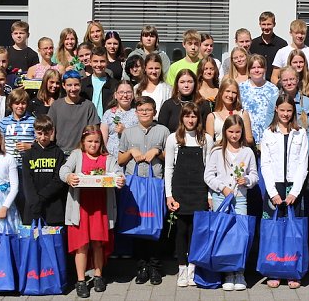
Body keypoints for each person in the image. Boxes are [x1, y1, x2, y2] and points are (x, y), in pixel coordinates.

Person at [61, 125, 125, 295]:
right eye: (89, 141)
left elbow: (118, 173)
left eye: (96, 141)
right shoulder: (76, 155)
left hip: (100, 208)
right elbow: (64, 169)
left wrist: (119, 179)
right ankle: (81, 280)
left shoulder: (107, 158)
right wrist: (69, 177)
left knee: (97, 243)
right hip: (81, 208)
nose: (93, 145)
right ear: (83, 142)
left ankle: (98, 275)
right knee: (81, 246)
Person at [118, 96, 169, 285]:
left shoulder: (162, 131)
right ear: (136, 112)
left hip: (155, 183)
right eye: (141, 110)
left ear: (154, 111)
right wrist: (131, 152)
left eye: (148, 110)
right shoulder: (129, 133)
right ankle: (142, 267)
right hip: (135, 185)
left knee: (155, 225)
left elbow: (169, 157)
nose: (145, 113)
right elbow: (120, 160)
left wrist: (157, 151)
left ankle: (155, 267)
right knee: (137, 224)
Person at [204, 114, 259, 291]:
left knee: (240, 235)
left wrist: (247, 181)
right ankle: (227, 272)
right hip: (222, 198)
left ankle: (239, 271)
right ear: (225, 131)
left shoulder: (247, 152)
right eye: (230, 131)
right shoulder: (216, 151)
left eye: (237, 132)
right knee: (224, 234)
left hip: (240, 199)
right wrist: (221, 188)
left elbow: (254, 175)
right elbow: (208, 176)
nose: (234, 135)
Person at [260, 93, 308, 289]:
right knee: (274, 231)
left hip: (293, 189)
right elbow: (266, 165)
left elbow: (303, 164)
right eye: (282, 110)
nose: (286, 114)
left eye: (289, 110)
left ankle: (292, 269)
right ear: (276, 110)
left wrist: (294, 192)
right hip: (275, 187)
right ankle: (273, 270)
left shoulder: (300, 133)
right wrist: (272, 192)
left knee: (292, 232)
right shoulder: (268, 133)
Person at [164, 103, 214, 288]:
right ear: (182, 118)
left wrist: (209, 195)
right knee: (181, 230)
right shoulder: (173, 139)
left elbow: (209, 169)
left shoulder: (206, 139)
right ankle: (182, 268)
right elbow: (169, 168)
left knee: (196, 232)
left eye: (194, 116)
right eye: (187, 116)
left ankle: (193, 267)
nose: (190, 120)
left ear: (198, 118)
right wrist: (169, 195)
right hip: (180, 189)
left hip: (199, 189)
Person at [20, 115, 68, 226]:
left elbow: (59, 180)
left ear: (52, 132)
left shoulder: (58, 153)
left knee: (53, 242)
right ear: (35, 132)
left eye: (46, 133)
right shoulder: (29, 154)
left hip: (53, 208)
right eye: (39, 133)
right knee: (33, 242)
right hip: (33, 207)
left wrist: (41, 197)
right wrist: (34, 201)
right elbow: (27, 182)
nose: (43, 137)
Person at [48, 70, 101, 154]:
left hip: (81, 153)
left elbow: (93, 131)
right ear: (64, 85)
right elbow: (51, 130)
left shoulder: (88, 106)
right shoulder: (56, 106)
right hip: (60, 152)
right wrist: (50, 150)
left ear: (80, 85)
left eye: (76, 85)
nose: (73, 89)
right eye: (69, 85)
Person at [240, 55, 280, 144]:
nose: (257, 70)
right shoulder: (241, 88)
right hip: (246, 136)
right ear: (249, 70)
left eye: (260, 67)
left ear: (265, 69)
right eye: (253, 67)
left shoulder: (273, 89)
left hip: (268, 136)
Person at [278, 66, 309, 151]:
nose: (289, 83)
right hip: (279, 149)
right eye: (285, 80)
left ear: (297, 79)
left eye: (292, 79)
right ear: (280, 82)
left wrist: (308, 151)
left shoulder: (307, 102)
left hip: (301, 149)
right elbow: (269, 127)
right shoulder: (274, 101)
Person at [206, 77, 254, 144]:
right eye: (227, 91)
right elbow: (209, 142)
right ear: (221, 92)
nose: (230, 95)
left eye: (234, 92)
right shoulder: (212, 116)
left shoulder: (243, 114)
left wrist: (234, 140)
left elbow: (249, 139)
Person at [271, 19, 309, 84]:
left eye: (302, 33)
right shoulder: (282, 52)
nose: (300, 36)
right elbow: (274, 77)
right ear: (291, 33)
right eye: (297, 33)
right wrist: (283, 87)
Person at [79, 45, 119, 121]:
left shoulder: (114, 85)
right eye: (95, 61)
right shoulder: (83, 84)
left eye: (102, 61)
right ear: (90, 62)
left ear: (107, 62)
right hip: (88, 123)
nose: (99, 65)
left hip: (107, 123)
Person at [101, 81, 139, 156]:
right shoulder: (109, 113)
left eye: (128, 92)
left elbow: (141, 138)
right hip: (111, 158)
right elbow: (103, 139)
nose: (125, 95)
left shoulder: (137, 113)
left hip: (130, 157)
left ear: (133, 95)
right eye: (121, 92)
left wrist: (125, 131)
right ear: (115, 95)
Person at [249, 11, 288, 77]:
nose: (266, 27)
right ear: (260, 24)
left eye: (269, 24)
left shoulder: (282, 44)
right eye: (263, 24)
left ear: (274, 24)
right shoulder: (253, 44)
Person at [134, 53, 173, 120]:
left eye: (157, 68)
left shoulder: (168, 89)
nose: (154, 71)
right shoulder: (137, 88)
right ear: (145, 69)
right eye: (150, 68)